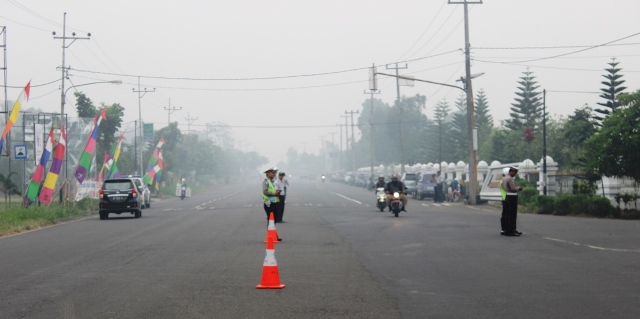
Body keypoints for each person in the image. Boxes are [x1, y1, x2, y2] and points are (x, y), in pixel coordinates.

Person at [502, 166, 524, 236]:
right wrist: (519, 188)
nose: (515, 174)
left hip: (507, 196)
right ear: (511, 171)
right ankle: (512, 230)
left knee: (508, 214)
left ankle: (507, 230)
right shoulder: (510, 178)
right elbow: (513, 188)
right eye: (515, 172)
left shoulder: (505, 178)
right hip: (512, 196)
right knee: (512, 214)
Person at [262, 167, 282, 241]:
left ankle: (273, 235)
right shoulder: (266, 182)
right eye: (272, 173)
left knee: (274, 219)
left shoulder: (272, 182)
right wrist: (274, 193)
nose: (274, 174)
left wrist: (277, 195)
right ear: (268, 173)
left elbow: (274, 190)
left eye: (274, 173)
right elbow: (265, 191)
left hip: (274, 202)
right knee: (271, 219)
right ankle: (270, 236)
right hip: (268, 203)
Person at [499, 167, 510, 235]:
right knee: (506, 215)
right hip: (507, 199)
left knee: (506, 214)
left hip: (505, 198)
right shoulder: (504, 182)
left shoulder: (503, 181)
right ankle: (505, 228)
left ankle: (506, 228)